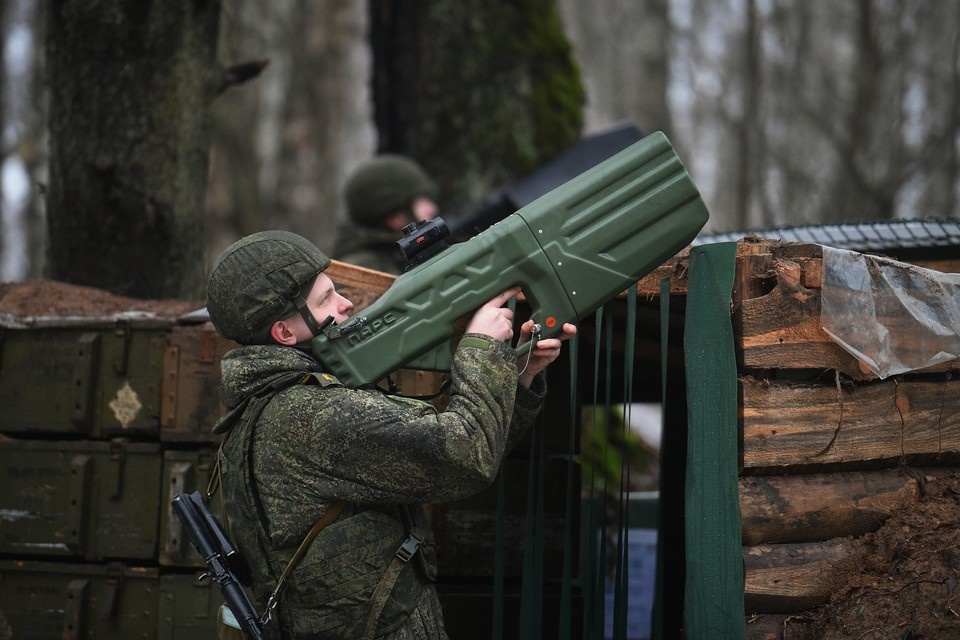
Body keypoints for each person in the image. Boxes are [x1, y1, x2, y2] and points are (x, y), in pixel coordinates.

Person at [204, 229, 575, 639]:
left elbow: (443, 460)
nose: (346, 304)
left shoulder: (277, 405)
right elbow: (464, 458)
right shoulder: (308, 414)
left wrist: (517, 376)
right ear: (285, 333)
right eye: (325, 299)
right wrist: (482, 347)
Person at [333, 154, 440, 274]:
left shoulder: (399, 257)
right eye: (420, 203)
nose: (432, 209)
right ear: (395, 219)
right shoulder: (365, 271)